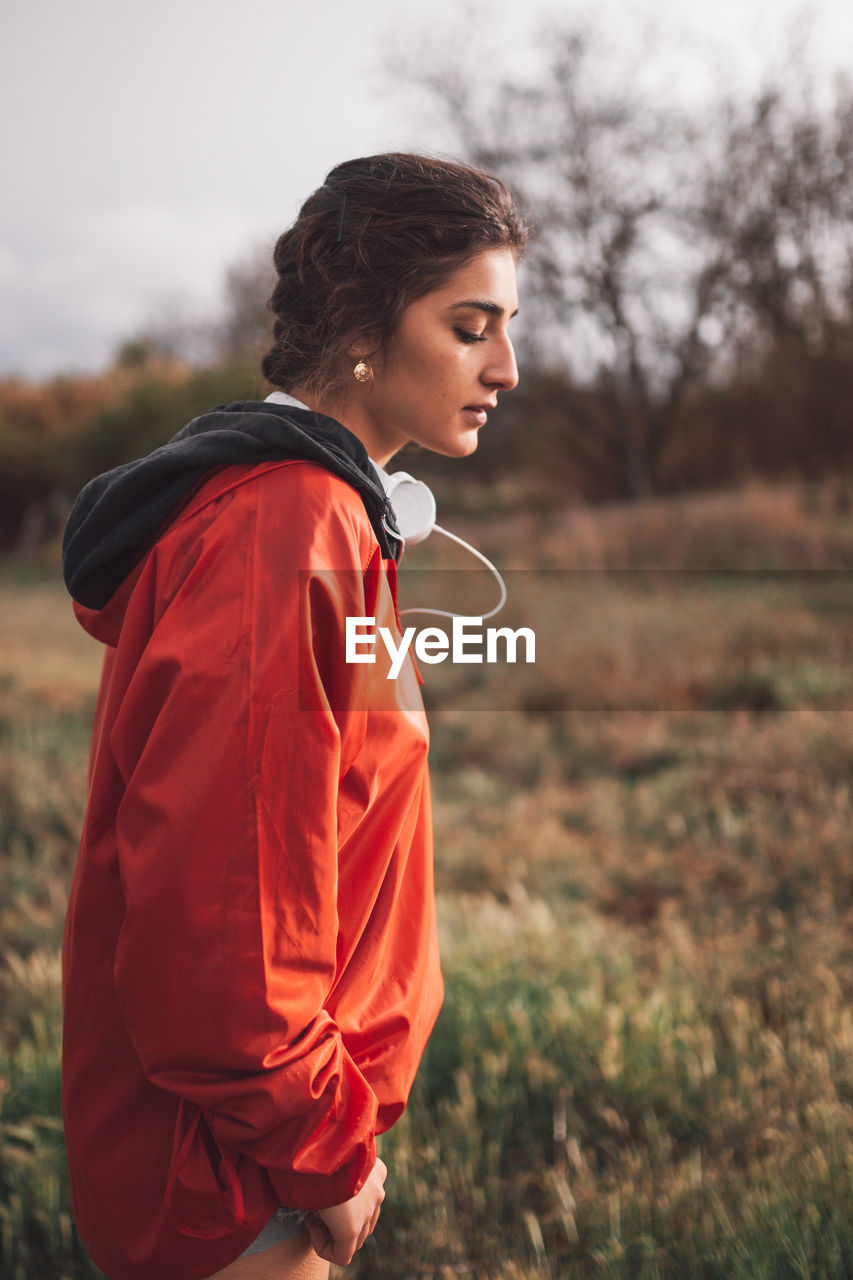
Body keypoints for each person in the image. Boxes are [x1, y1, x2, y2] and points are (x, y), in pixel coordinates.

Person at [61, 152, 525, 1280]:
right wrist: (323, 1151)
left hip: (265, 1153)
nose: (506, 367)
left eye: (506, 325)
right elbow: (221, 928)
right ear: (366, 324)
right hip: (235, 1181)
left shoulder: (324, 512)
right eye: (470, 326)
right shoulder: (284, 533)